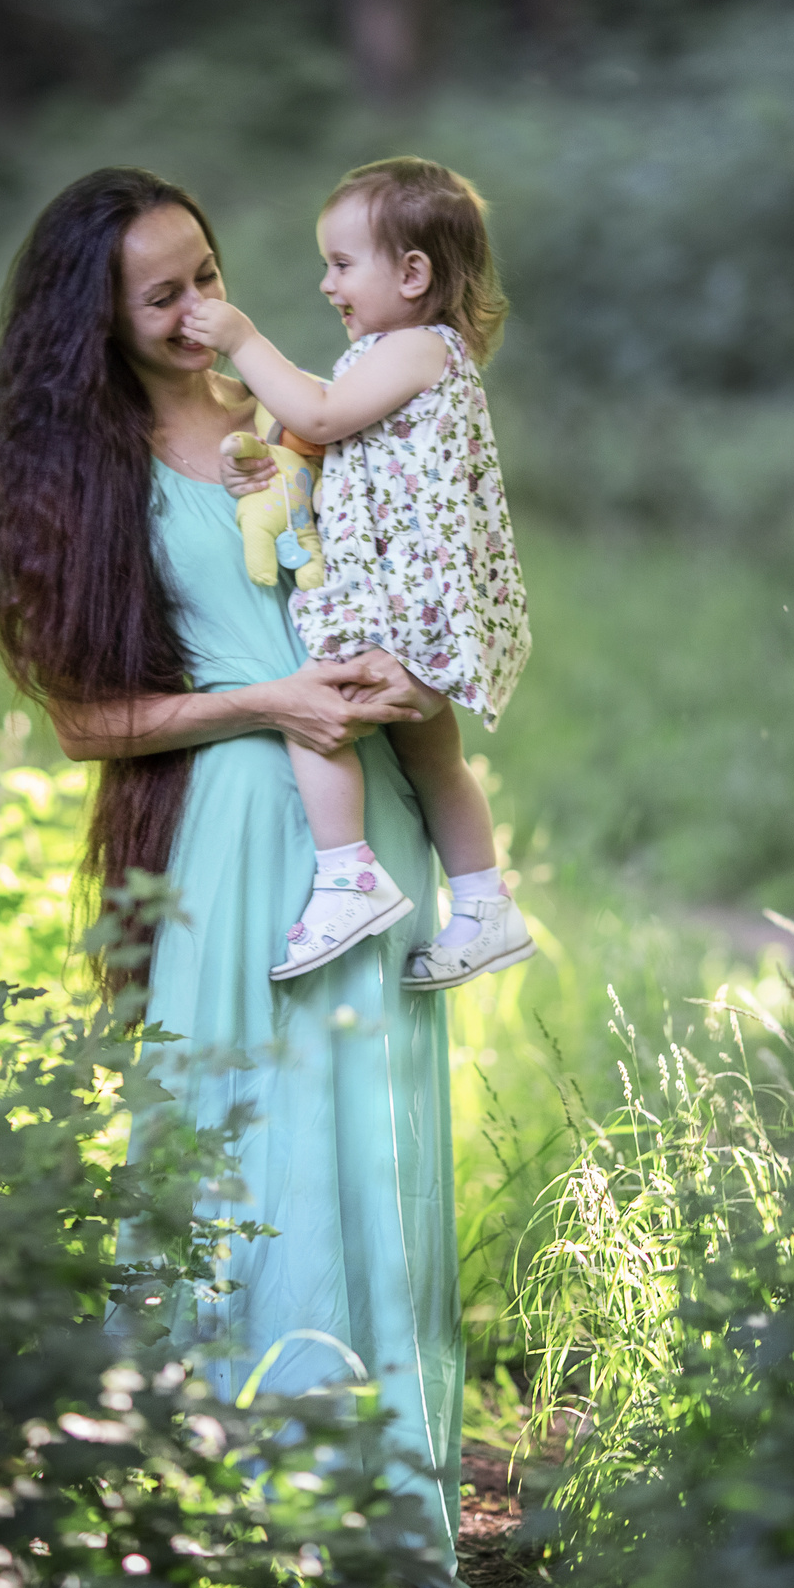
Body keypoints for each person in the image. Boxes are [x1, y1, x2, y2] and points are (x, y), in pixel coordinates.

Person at [0, 167, 470, 1588]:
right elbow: (86, 718)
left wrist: (397, 674)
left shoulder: (302, 400)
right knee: (242, 1147)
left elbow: (425, 561)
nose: (203, 308)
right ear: (98, 322)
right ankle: (212, 1511)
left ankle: (379, 1515)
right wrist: (269, 702)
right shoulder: (79, 470)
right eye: (164, 294)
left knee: (368, 1145)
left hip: (362, 822)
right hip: (235, 834)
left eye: (207, 272)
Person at [182, 157, 536, 991]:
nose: (324, 283)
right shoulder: (399, 355)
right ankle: (486, 903)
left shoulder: (418, 348)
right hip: (420, 598)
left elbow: (318, 413)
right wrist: (264, 468)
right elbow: (312, 423)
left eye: (342, 264)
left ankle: (348, 875)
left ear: (413, 273)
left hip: (399, 601)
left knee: (317, 705)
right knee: (434, 755)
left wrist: (240, 338)